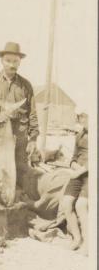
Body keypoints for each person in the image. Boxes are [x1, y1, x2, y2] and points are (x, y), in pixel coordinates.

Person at [0, 41, 39, 204]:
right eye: (8, 60)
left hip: (19, 135)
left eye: (15, 61)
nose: (12, 64)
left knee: (19, 168)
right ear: (2, 61)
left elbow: (32, 113)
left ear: (20, 62)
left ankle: (15, 201)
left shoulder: (26, 85)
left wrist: (33, 138)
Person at [60, 107, 88, 255]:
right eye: (79, 117)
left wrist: (80, 171)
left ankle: (88, 243)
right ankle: (76, 239)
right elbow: (73, 158)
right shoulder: (80, 134)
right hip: (79, 173)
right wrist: (74, 166)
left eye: (84, 116)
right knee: (66, 203)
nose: (81, 119)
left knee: (81, 205)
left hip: (91, 175)